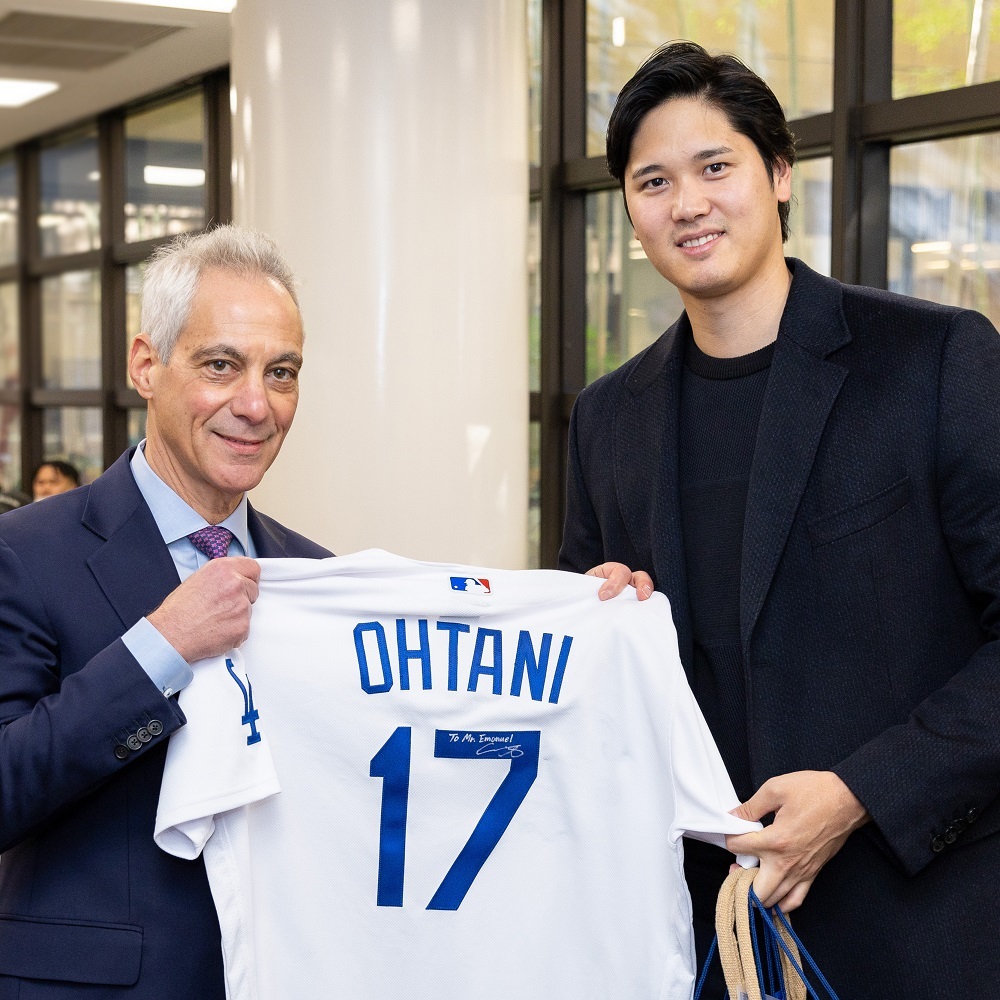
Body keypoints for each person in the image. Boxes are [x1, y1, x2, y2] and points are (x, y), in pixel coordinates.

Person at [559, 40, 1000, 996]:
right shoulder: (607, 420)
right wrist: (596, 623)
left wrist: (858, 796)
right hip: (698, 942)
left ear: (779, 174)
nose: (688, 203)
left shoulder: (934, 362)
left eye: (715, 167)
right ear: (631, 213)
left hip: (917, 933)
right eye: (653, 182)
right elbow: (583, 686)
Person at [0, 225, 331, 998]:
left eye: (281, 373)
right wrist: (159, 647)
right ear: (146, 366)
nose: (256, 404)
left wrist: (596, 616)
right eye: (222, 365)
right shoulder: (23, 551)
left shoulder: (314, 576)